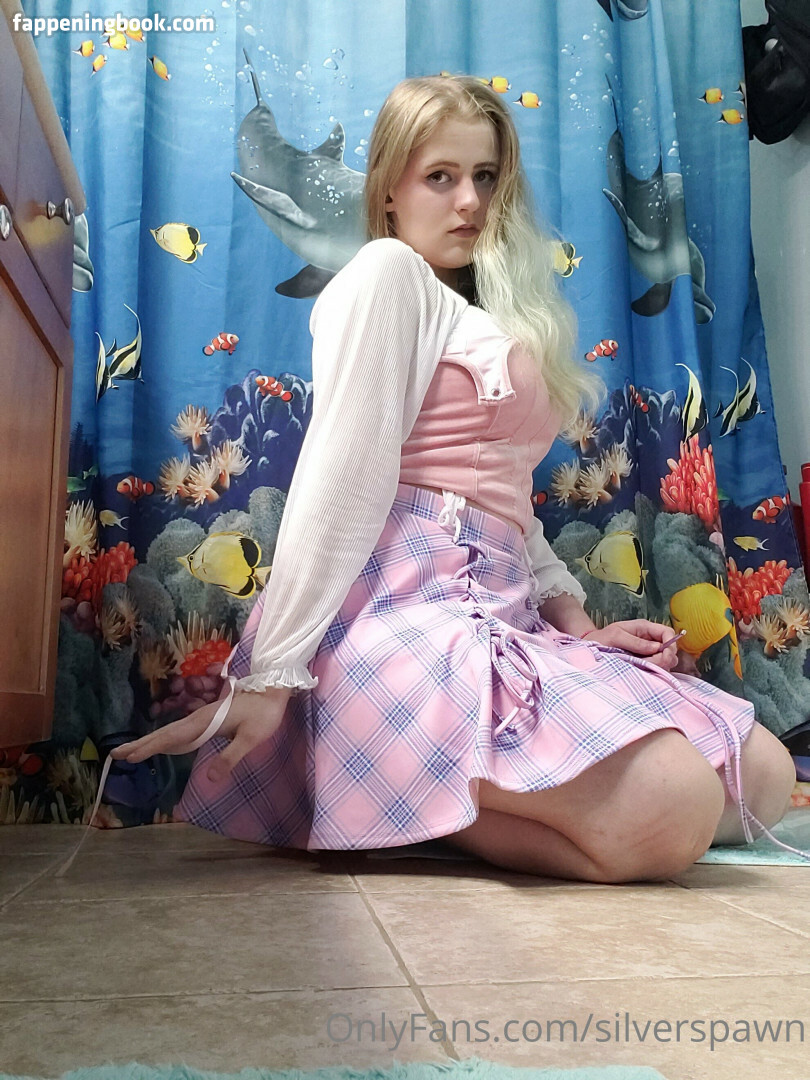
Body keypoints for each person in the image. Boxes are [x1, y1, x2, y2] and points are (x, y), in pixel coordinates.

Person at [112, 75, 797, 883]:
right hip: (398, 617)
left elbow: (511, 511)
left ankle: (398, 806)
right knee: (674, 810)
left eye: (486, 176)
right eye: (440, 176)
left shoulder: (492, 316)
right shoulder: (386, 272)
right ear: (388, 189)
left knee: (761, 775)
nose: (470, 200)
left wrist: (578, 627)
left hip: (501, 614)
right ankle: (388, 797)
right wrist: (273, 672)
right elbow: (341, 472)